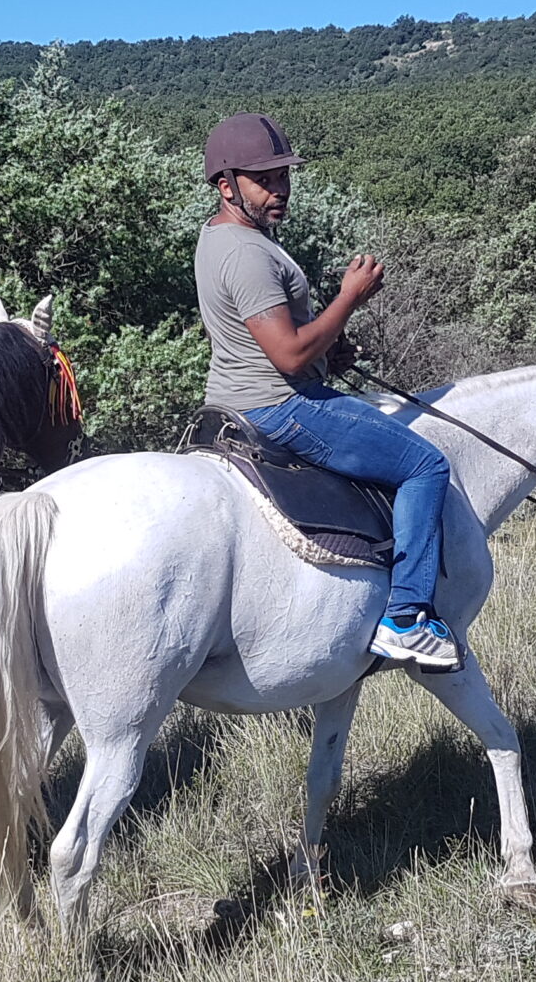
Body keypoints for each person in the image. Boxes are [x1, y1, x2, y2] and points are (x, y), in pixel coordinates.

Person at [195, 114, 461, 671]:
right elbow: (289, 356)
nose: (279, 189)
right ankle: (407, 618)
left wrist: (328, 350)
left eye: (283, 176)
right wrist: (349, 299)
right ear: (226, 186)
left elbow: (273, 338)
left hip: (238, 395)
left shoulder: (223, 236)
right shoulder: (247, 254)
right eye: (263, 180)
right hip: (280, 403)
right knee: (426, 465)